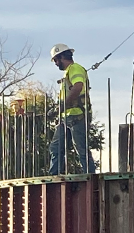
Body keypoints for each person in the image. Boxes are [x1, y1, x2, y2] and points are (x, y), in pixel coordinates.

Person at [48, 43, 96, 175]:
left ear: (62, 56)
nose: (56, 63)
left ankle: (90, 177)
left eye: (56, 60)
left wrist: (62, 106)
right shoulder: (68, 73)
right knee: (56, 147)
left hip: (78, 117)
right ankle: (54, 176)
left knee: (81, 149)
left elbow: (78, 86)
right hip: (66, 118)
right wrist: (59, 109)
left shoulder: (75, 68)